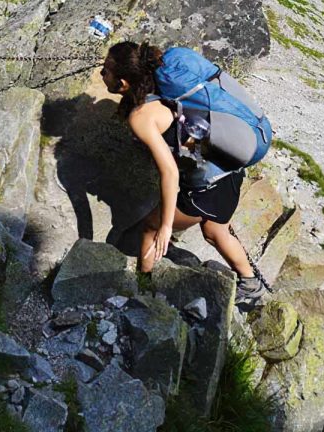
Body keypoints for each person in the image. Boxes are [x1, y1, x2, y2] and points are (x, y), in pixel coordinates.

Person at [100, 41, 268, 307]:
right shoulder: (166, 89)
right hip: (227, 168)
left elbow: (169, 173)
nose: (101, 74)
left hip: (206, 185)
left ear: (123, 83)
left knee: (151, 227)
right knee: (215, 232)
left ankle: (143, 293)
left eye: (105, 71)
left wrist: (166, 227)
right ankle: (251, 283)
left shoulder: (142, 115)